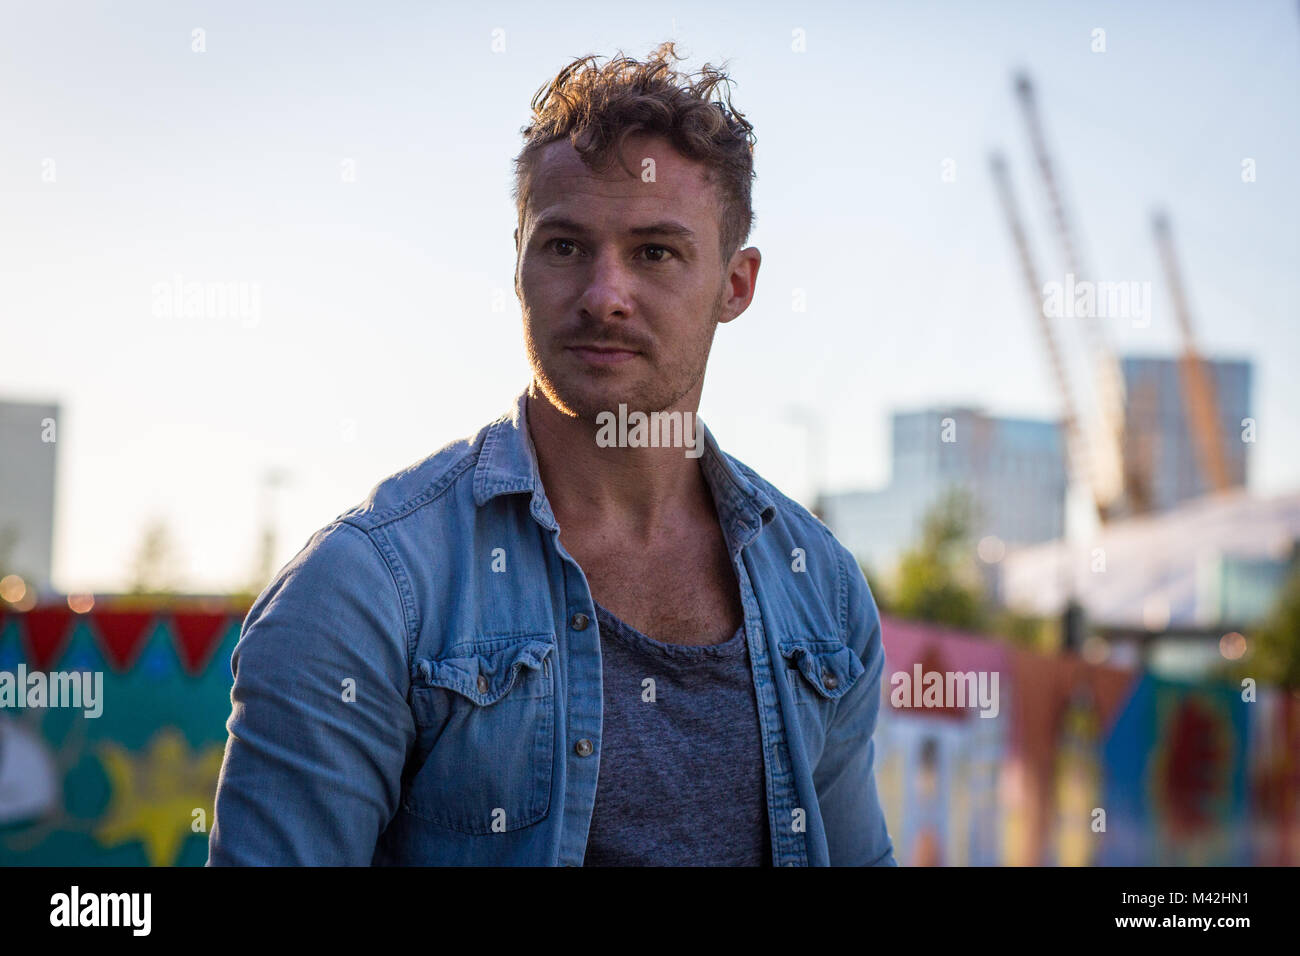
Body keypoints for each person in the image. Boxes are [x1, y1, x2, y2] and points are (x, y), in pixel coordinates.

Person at [207, 41, 895, 867]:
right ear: (519, 263)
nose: (605, 296)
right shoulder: (367, 591)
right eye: (565, 246)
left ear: (735, 286)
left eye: (655, 252)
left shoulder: (818, 588)